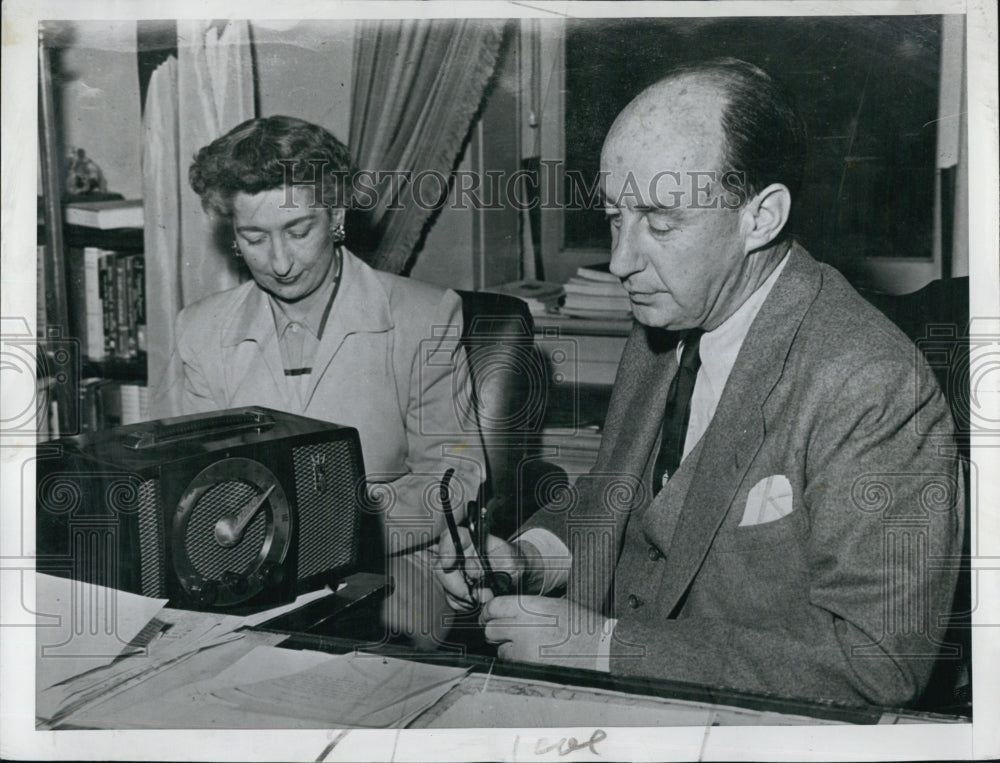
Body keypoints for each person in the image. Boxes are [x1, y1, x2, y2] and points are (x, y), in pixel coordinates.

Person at [435, 59, 964, 707]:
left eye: (660, 223)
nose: (624, 260)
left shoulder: (874, 385)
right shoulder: (668, 313)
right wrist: (529, 558)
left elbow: (876, 660)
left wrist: (603, 645)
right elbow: (617, 496)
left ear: (761, 217)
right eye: (613, 218)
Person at [151, 115, 484, 648]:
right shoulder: (201, 328)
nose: (279, 262)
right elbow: (186, 483)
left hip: (389, 564)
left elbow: (456, 479)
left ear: (336, 216)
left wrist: (332, 533)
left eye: (298, 230)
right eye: (253, 237)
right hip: (241, 565)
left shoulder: (424, 316)